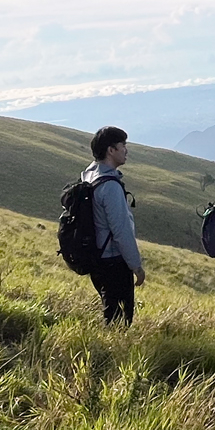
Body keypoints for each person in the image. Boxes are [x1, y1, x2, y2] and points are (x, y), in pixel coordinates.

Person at [81, 125, 145, 325]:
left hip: (96, 256)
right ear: (111, 150)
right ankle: (112, 353)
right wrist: (136, 266)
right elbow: (121, 231)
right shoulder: (109, 186)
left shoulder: (89, 174)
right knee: (120, 320)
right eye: (122, 145)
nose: (126, 150)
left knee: (110, 310)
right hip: (113, 261)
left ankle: (110, 349)